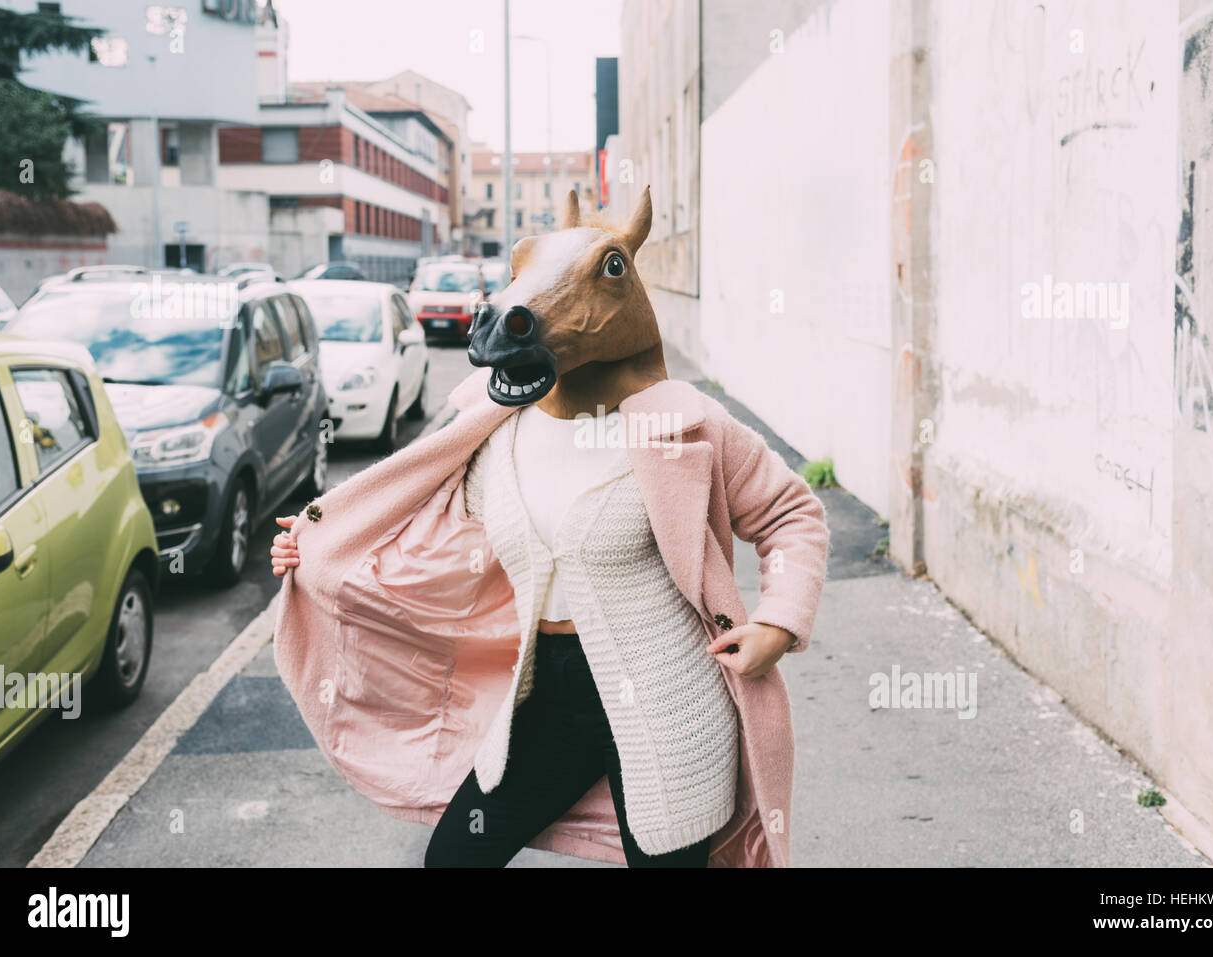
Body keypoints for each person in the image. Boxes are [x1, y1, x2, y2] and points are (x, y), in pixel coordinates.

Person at [269, 187, 829, 868]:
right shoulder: (492, 431)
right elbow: (421, 531)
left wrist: (777, 624)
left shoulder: (687, 425)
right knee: (454, 858)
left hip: (670, 705)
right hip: (541, 700)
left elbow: (791, 514)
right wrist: (319, 547)